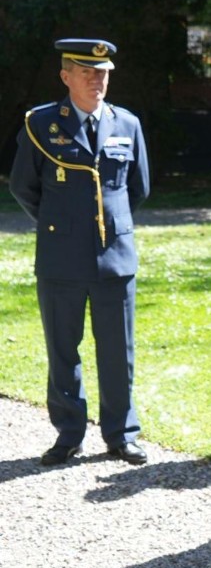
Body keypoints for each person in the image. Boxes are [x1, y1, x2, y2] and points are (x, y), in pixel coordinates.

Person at [10, 38, 151, 466]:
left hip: (115, 258)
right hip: (61, 259)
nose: (97, 79)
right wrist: (61, 226)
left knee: (117, 351)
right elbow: (23, 186)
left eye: (103, 72)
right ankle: (69, 434)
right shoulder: (41, 124)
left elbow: (137, 188)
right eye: (87, 71)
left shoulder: (127, 124)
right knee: (63, 350)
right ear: (65, 75)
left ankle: (121, 433)